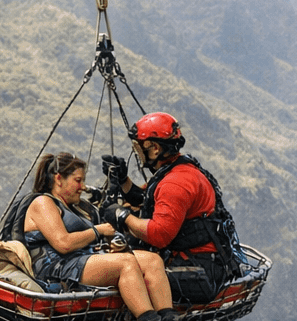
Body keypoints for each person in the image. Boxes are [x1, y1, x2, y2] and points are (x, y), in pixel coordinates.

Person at [14, 153, 201, 321]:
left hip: (82, 260)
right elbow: (63, 243)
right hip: (59, 267)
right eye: (78, 180)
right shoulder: (43, 203)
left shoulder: (74, 207)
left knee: (151, 260)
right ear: (58, 179)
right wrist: (98, 231)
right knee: (126, 264)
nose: (82, 187)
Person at [100, 113, 239, 307]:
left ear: (154, 148)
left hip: (197, 271)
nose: (136, 153)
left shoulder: (175, 183)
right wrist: (123, 180)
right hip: (206, 263)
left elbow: (159, 235)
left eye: (137, 148)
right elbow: (150, 201)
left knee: (122, 273)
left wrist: (123, 217)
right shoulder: (181, 170)